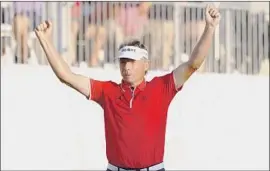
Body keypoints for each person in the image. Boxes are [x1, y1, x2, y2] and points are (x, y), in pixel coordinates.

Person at [35, 4, 220, 171]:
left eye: (132, 61)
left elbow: (193, 64)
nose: (127, 67)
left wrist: (210, 28)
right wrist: (44, 40)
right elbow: (66, 76)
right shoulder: (107, 91)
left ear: (146, 65)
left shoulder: (162, 87)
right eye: (123, 62)